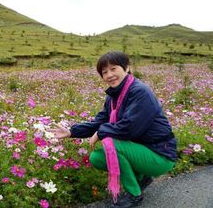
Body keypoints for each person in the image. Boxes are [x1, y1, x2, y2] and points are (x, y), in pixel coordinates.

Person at [51, 51, 177, 208]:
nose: (109, 75)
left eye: (113, 69)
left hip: (160, 154)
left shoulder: (140, 91)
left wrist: (101, 132)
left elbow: (130, 129)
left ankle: (134, 195)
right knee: (97, 157)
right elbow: (100, 122)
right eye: (104, 72)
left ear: (126, 68)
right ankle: (141, 178)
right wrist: (72, 131)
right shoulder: (113, 96)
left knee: (112, 143)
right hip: (142, 150)